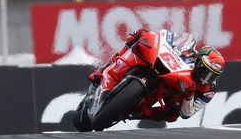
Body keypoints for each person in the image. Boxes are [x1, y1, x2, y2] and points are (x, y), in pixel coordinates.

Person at [87, 28, 225, 122]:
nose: (207, 78)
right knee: (140, 34)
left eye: (212, 76)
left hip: (173, 94)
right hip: (164, 71)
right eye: (206, 72)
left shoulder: (209, 91)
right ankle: (104, 69)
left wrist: (189, 95)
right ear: (199, 63)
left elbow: (187, 114)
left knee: (172, 115)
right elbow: (173, 41)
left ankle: (133, 114)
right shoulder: (190, 54)